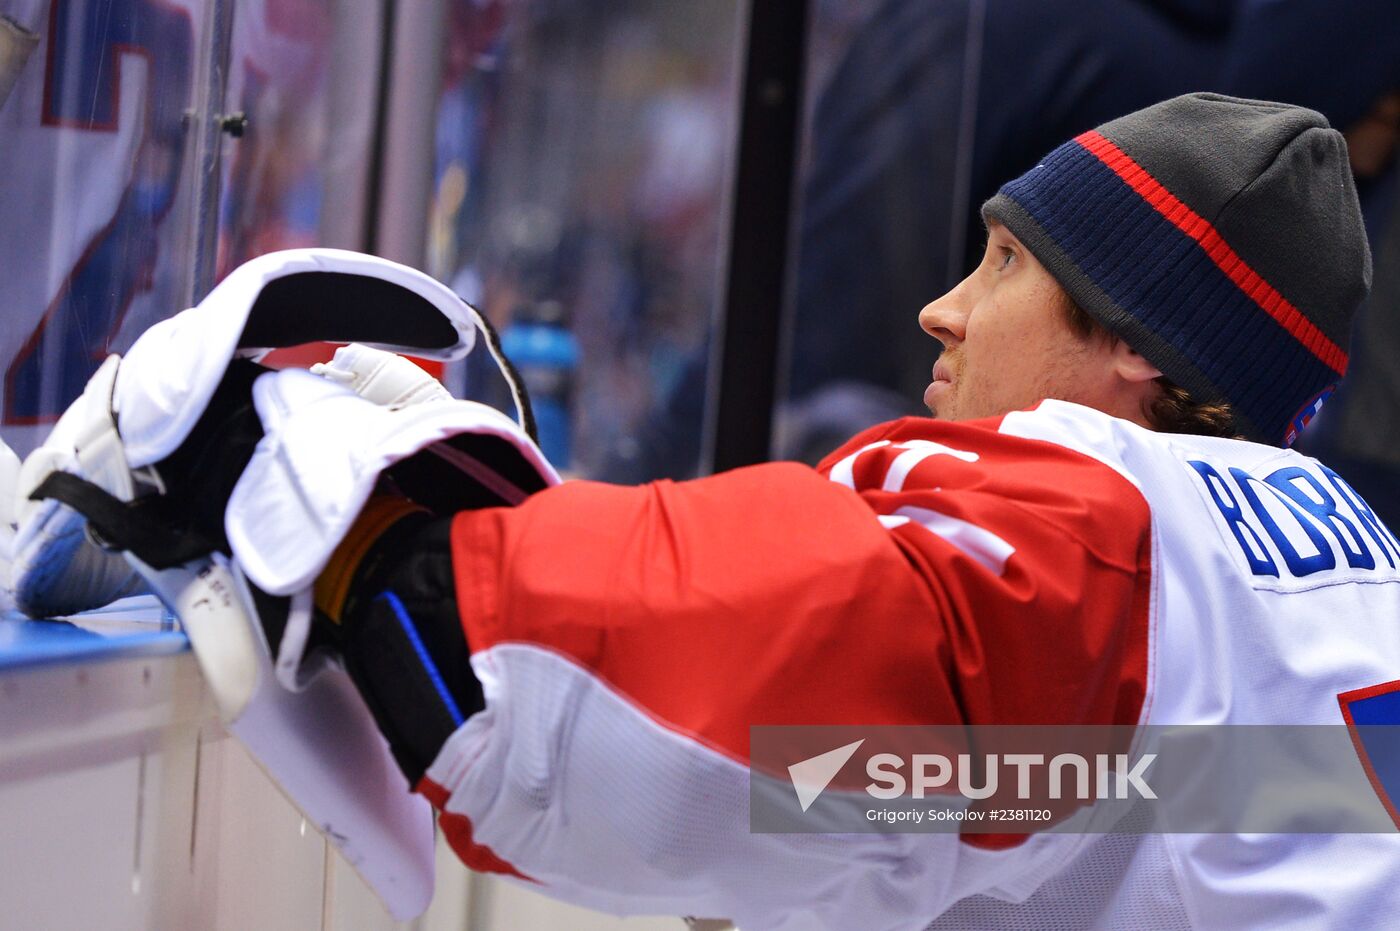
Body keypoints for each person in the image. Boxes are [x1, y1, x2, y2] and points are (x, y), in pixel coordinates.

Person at [16, 93, 1400, 928]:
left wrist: (301, 475)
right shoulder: (1338, 570)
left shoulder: (1086, 526)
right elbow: (998, 800)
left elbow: (569, 707)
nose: (946, 307)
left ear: (1142, 350)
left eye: (1005, 262)